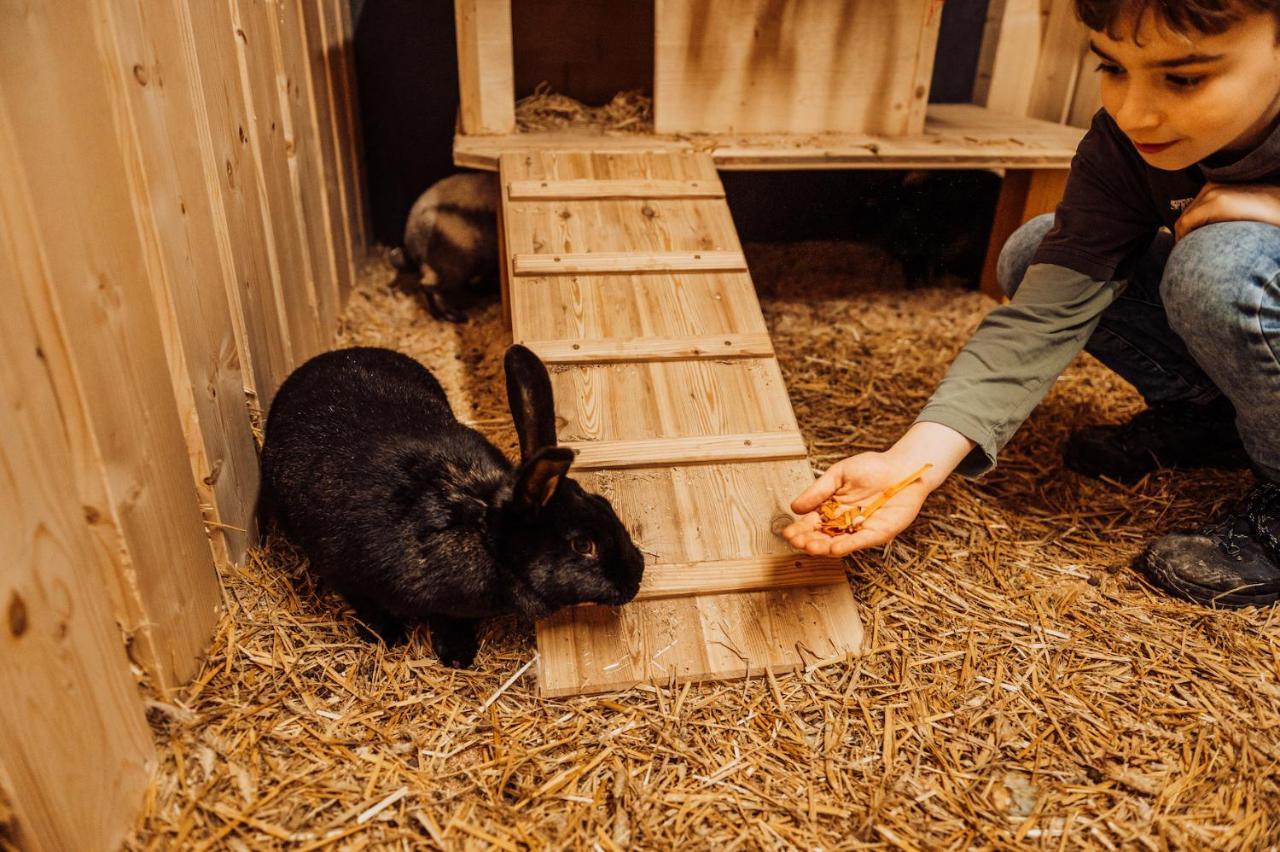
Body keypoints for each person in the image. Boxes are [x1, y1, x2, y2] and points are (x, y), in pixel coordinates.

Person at [784, 0, 1280, 608]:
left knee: (1223, 267)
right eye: (1113, 67)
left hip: (1235, 267)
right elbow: (1046, 311)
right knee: (1034, 251)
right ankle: (1211, 418)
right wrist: (910, 463)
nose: (1132, 113)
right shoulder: (1121, 147)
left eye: (1184, 77)